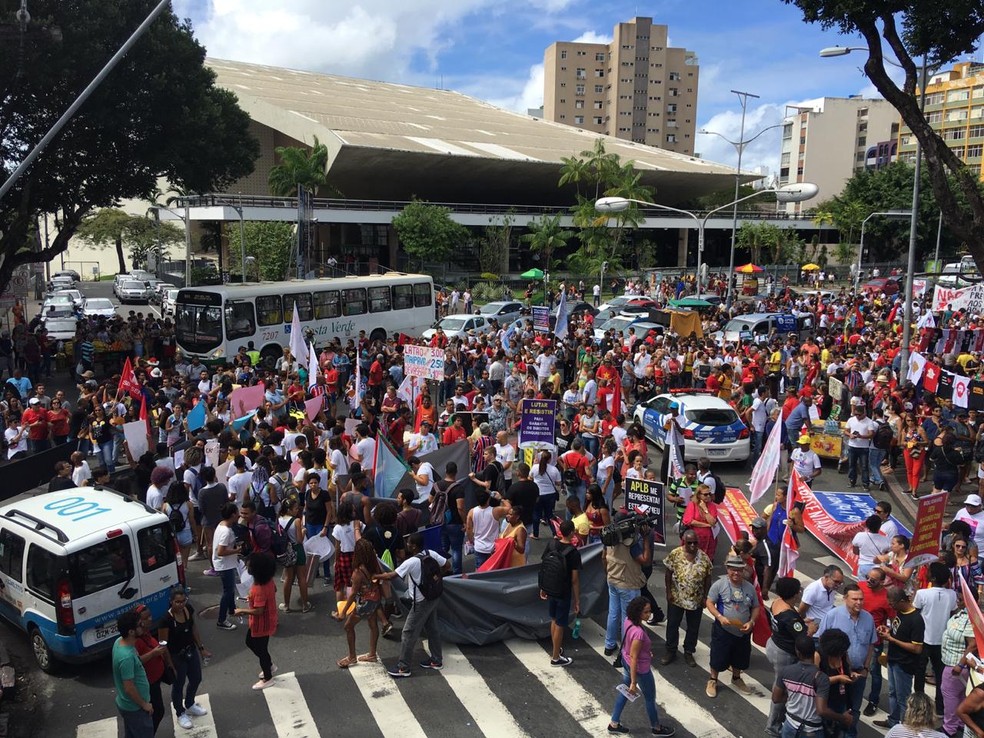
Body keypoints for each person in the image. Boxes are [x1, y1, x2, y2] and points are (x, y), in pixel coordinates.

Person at [374, 532, 449, 678]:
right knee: (432, 629)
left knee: (408, 633)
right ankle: (436, 660)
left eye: (408, 543)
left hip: (420, 602)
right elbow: (447, 565)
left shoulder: (411, 562)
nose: (406, 545)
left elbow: (391, 576)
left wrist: (375, 576)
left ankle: (404, 667)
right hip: (434, 597)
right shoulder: (431, 553)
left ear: (413, 546)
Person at [607, 596, 677, 737]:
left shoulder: (628, 621)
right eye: (645, 612)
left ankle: (614, 723)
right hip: (640, 669)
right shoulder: (638, 633)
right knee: (650, 699)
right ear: (638, 612)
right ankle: (656, 727)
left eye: (649, 611)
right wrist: (634, 682)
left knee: (624, 692)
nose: (649, 614)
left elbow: (630, 646)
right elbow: (635, 657)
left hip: (626, 662)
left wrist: (645, 651)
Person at [815, 584, 877, 738]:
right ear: (845, 599)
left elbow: (870, 645)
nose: (859, 602)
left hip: (858, 673)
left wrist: (866, 668)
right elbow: (822, 641)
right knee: (833, 706)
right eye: (855, 599)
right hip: (836, 671)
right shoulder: (832, 615)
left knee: (854, 707)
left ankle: (849, 733)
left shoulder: (868, 618)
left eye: (861, 599)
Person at [772, 635, 854, 738]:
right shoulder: (821, 678)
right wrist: (843, 718)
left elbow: (776, 698)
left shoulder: (785, 671)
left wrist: (793, 695)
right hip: (812, 730)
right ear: (814, 650)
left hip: (790, 725)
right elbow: (822, 710)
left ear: (797, 651)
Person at [704, 555, 759, 698]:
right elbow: (710, 603)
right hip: (724, 629)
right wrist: (720, 617)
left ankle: (736, 678)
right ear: (727, 569)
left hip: (742, 631)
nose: (736, 573)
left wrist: (751, 621)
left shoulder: (749, 587)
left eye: (739, 570)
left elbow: (756, 607)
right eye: (733, 570)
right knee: (718, 656)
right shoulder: (719, 585)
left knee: (740, 657)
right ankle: (713, 680)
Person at [766, 577, 814, 737]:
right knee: (781, 688)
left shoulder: (777, 603)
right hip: (784, 654)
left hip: (774, 644)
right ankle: (773, 726)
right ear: (793, 594)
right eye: (798, 590)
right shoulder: (790, 617)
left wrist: (801, 621)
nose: (800, 592)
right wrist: (811, 629)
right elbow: (802, 638)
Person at [603, 510, 653, 657]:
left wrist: (608, 573)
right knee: (629, 618)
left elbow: (603, 557)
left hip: (612, 579)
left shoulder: (608, 536)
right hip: (628, 584)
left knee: (613, 614)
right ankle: (627, 647)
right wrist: (645, 539)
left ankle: (609, 644)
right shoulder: (630, 542)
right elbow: (645, 560)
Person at [158, 588, 210, 731]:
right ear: (171, 602)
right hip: (176, 656)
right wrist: (170, 664)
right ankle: (180, 712)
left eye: (183, 601)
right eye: (177, 602)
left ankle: (190, 703)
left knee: (196, 678)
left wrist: (201, 648)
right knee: (179, 685)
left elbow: (193, 629)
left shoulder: (188, 609)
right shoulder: (165, 620)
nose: (180, 605)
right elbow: (163, 645)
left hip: (190, 651)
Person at [873, 587, 925, 730]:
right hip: (893, 659)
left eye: (892, 604)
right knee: (892, 693)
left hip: (904, 664)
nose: (891, 607)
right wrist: (888, 630)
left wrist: (892, 640)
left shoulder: (916, 620)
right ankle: (893, 720)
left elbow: (917, 648)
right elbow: (898, 631)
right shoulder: (900, 613)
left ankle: (904, 728)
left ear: (902, 601)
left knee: (903, 698)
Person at [661, 529, 712, 667]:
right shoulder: (675, 554)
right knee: (672, 625)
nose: (693, 546)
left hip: (695, 600)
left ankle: (689, 651)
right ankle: (670, 650)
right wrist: (668, 593)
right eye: (690, 543)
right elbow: (668, 573)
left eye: (695, 543)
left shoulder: (704, 558)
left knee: (693, 627)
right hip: (676, 598)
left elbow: (708, 578)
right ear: (684, 542)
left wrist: (705, 596)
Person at [912, 562, 955, 716]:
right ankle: (940, 707)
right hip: (941, 641)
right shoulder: (952, 594)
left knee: (919, 673)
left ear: (933, 577)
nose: (926, 573)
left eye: (929, 571)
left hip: (923, 640)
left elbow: (915, 612)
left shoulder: (922, 593)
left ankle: (919, 706)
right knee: (940, 675)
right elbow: (952, 612)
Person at [538, 520, 581, 667]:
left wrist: (543, 587)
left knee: (554, 619)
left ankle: (555, 649)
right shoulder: (573, 553)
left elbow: (544, 567)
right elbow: (574, 580)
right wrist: (577, 600)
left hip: (550, 588)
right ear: (571, 533)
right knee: (561, 624)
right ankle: (556, 657)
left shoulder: (551, 545)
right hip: (563, 591)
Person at [336, 538, 384, 668]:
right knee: (373, 625)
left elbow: (352, 594)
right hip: (375, 599)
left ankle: (352, 657)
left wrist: (343, 612)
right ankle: (372, 654)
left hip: (364, 603)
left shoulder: (358, 572)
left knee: (348, 626)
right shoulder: (374, 565)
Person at [234, 552, 279, 690]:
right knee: (252, 643)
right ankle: (269, 666)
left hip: (261, 623)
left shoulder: (259, 588)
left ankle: (268, 676)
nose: (247, 567)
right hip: (267, 620)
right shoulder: (268, 581)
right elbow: (274, 590)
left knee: (261, 649)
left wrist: (241, 611)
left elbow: (259, 611)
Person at [111, 609, 155, 738]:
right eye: (140, 624)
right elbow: (129, 687)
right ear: (131, 632)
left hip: (127, 706)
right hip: (135, 708)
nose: (144, 626)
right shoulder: (126, 657)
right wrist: (144, 704)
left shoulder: (119, 642)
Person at [859, 567, 895, 718]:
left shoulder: (887, 597)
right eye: (867, 577)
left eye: (872, 580)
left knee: (874, 672)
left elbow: (893, 621)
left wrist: (886, 628)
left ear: (882, 582)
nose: (868, 581)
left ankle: (873, 701)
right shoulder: (860, 587)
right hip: (855, 636)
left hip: (874, 641)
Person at [939, 590, 975, 737]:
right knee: (959, 696)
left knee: (950, 696)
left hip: (956, 665)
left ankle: (949, 728)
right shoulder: (960, 614)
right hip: (952, 662)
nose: (958, 601)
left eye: (961, 599)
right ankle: (959, 724)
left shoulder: (970, 618)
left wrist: (960, 664)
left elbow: (972, 645)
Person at [132, 603, 171, 734]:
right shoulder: (136, 641)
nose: (150, 619)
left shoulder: (146, 632)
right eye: (145, 618)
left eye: (150, 616)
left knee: (157, 711)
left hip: (155, 679)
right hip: (148, 683)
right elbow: (135, 662)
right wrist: (154, 653)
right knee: (157, 711)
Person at [277, 497, 312, 613]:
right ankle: (305, 605)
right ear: (289, 509)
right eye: (296, 508)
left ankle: (286, 605)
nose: (297, 510)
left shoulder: (279, 519)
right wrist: (303, 532)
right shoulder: (297, 521)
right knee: (302, 577)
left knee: (288, 578)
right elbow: (299, 540)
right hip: (298, 549)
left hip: (286, 550)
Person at [212, 502, 243, 631]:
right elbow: (221, 551)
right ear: (232, 514)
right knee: (228, 591)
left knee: (230, 589)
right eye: (237, 512)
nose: (239, 514)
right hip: (225, 565)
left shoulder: (222, 525)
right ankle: (221, 620)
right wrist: (237, 550)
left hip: (226, 564)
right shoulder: (225, 531)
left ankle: (232, 609)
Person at [682, 483, 719, 561]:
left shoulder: (712, 506)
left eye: (709, 494)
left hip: (709, 539)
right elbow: (690, 521)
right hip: (694, 538)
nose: (708, 496)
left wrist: (705, 509)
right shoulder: (692, 504)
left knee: (706, 560)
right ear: (699, 495)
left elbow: (712, 522)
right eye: (705, 494)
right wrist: (706, 525)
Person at [851, 514, 890, 579]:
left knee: (862, 587)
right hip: (878, 569)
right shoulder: (886, 540)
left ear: (867, 525)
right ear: (879, 526)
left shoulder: (859, 536)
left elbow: (855, 551)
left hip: (863, 566)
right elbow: (887, 555)